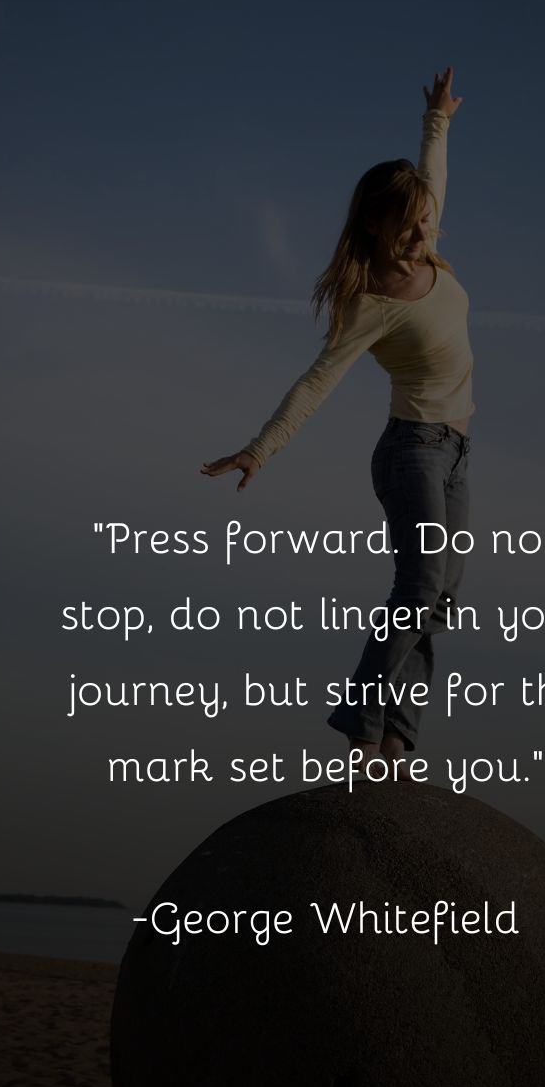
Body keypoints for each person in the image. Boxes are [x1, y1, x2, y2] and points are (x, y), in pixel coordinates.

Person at [201, 66, 473, 781]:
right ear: (375, 223)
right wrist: (261, 448)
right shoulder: (369, 303)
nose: (423, 228)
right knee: (420, 586)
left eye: (425, 216)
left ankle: (395, 745)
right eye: (408, 219)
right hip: (410, 451)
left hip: (457, 452)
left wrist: (437, 119)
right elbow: (317, 381)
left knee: (439, 598)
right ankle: (362, 729)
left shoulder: (426, 231)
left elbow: (433, 172)